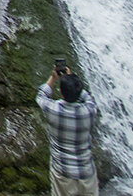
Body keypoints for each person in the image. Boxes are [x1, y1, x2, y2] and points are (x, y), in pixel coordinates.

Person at [36, 64, 100, 195]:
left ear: (60, 91)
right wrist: (70, 79)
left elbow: (41, 96)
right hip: (86, 173)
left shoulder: (53, 110)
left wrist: (54, 78)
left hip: (63, 173)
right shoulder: (89, 110)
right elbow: (87, 98)